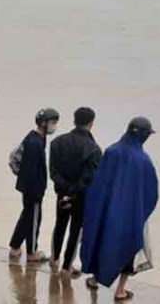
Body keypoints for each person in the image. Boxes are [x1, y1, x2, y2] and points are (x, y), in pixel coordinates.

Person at [81, 117, 158, 301]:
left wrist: (98, 209)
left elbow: (98, 184)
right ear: (143, 136)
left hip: (106, 213)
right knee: (128, 251)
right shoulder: (143, 160)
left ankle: (94, 278)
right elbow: (151, 193)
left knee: (101, 241)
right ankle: (120, 290)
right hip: (130, 217)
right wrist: (140, 212)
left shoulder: (111, 151)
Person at [49, 107, 102, 279]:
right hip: (81, 197)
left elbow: (53, 172)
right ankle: (66, 267)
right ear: (91, 123)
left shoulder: (57, 142)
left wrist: (66, 189)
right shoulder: (94, 149)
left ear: (74, 121)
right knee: (75, 231)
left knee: (60, 225)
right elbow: (88, 179)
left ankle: (54, 259)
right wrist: (74, 190)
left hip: (62, 193)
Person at [9, 108, 60, 264]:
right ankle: (31, 252)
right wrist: (36, 190)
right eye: (52, 123)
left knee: (27, 217)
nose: (54, 126)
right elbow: (31, 169)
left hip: (30, 188)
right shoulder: (35, 142)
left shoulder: (36, 138)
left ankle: (15, 246)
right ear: (43, 123)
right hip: (33, 190)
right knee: (33, 220)